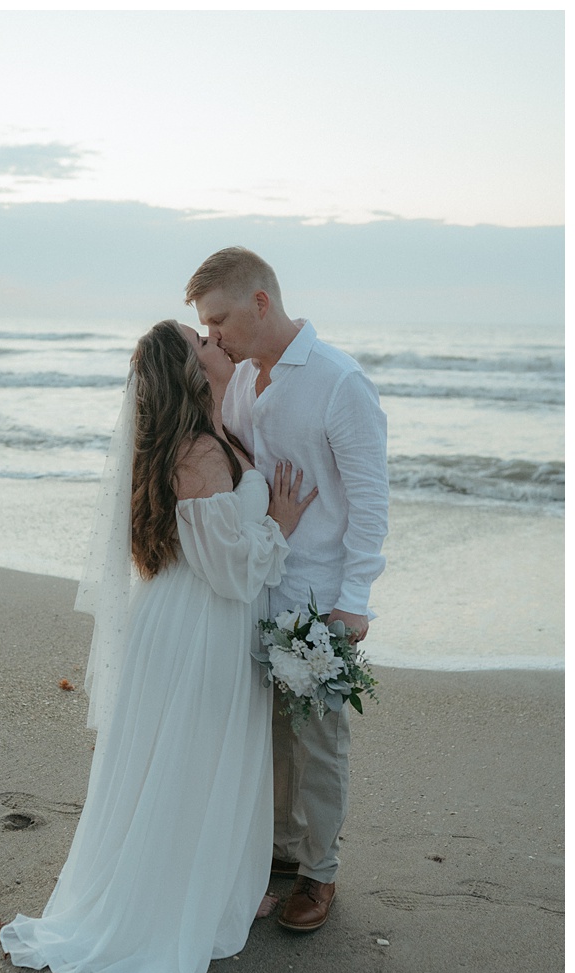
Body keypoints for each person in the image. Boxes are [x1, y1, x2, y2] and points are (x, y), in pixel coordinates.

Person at [0, 319, 316, 973]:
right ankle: (185, 905)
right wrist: (283, 524)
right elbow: (232, 572)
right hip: (201, 625)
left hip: (190, 618)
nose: (216, 341)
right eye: (202, 339)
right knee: (191, 759)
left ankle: (220, 890)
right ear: (190, 369)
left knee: (194, 758)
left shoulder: (211, 436)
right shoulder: (199, 453)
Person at [185, 247, 389, 933]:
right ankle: (275, 853)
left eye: (220, 320)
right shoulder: (241, 380)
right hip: (256, 585)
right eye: (206, 326)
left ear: (261, 303)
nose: (214, 336)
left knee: (318, 742)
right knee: (267, 735)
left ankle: (319, 872)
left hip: (315, 594)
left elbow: (369, 501)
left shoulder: (339, 383)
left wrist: (354, 598)